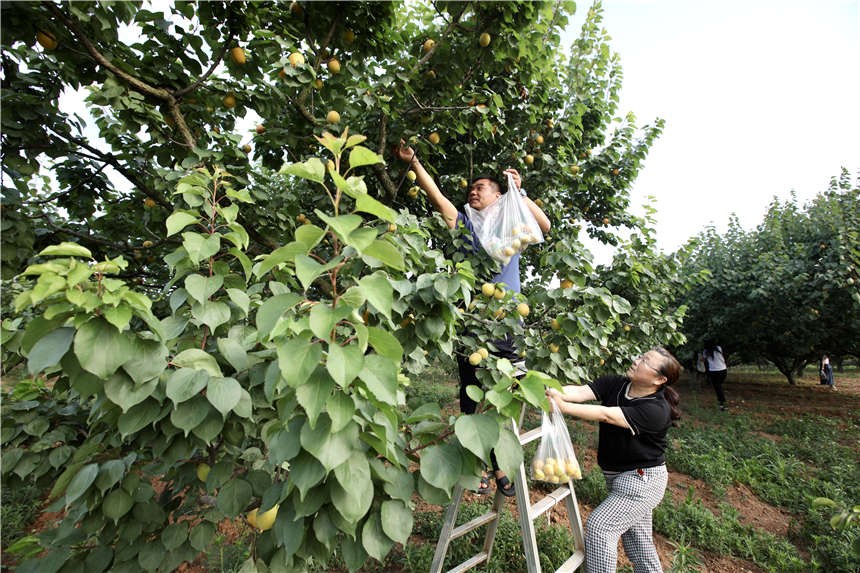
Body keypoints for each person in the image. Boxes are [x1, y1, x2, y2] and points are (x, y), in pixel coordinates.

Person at [395, 141, 551, 496]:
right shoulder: (466, 227)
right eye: (471, 189)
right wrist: (415, 162)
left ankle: (498, 462)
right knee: (471, 394)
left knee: (507, 391)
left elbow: (544, 223)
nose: (472, 192)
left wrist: (519, 192)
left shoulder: (510, 227)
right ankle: (485, 466)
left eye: (480, 188)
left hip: (508, 321)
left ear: (498, 195)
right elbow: (438, 199)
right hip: (473, 324)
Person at [546, 348, 681, 573]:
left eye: (644, 361)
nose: (636, 361)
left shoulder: (656, 409)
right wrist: (552, 392)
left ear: (659, 379)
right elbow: (579, 392)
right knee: (638, 541)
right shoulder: (616, 383)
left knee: (601, 526)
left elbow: (606, 414)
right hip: (621, 478)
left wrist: (564, 407)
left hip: (643, 482)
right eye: (639, 356)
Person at [702, 340, 728, 410]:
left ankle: (722, 403)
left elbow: (703, 360)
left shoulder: (705, 351)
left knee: (718, 387)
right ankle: (722, 402)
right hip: (723, 370)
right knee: (719, 386)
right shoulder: (718, 348)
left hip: (714, 371)